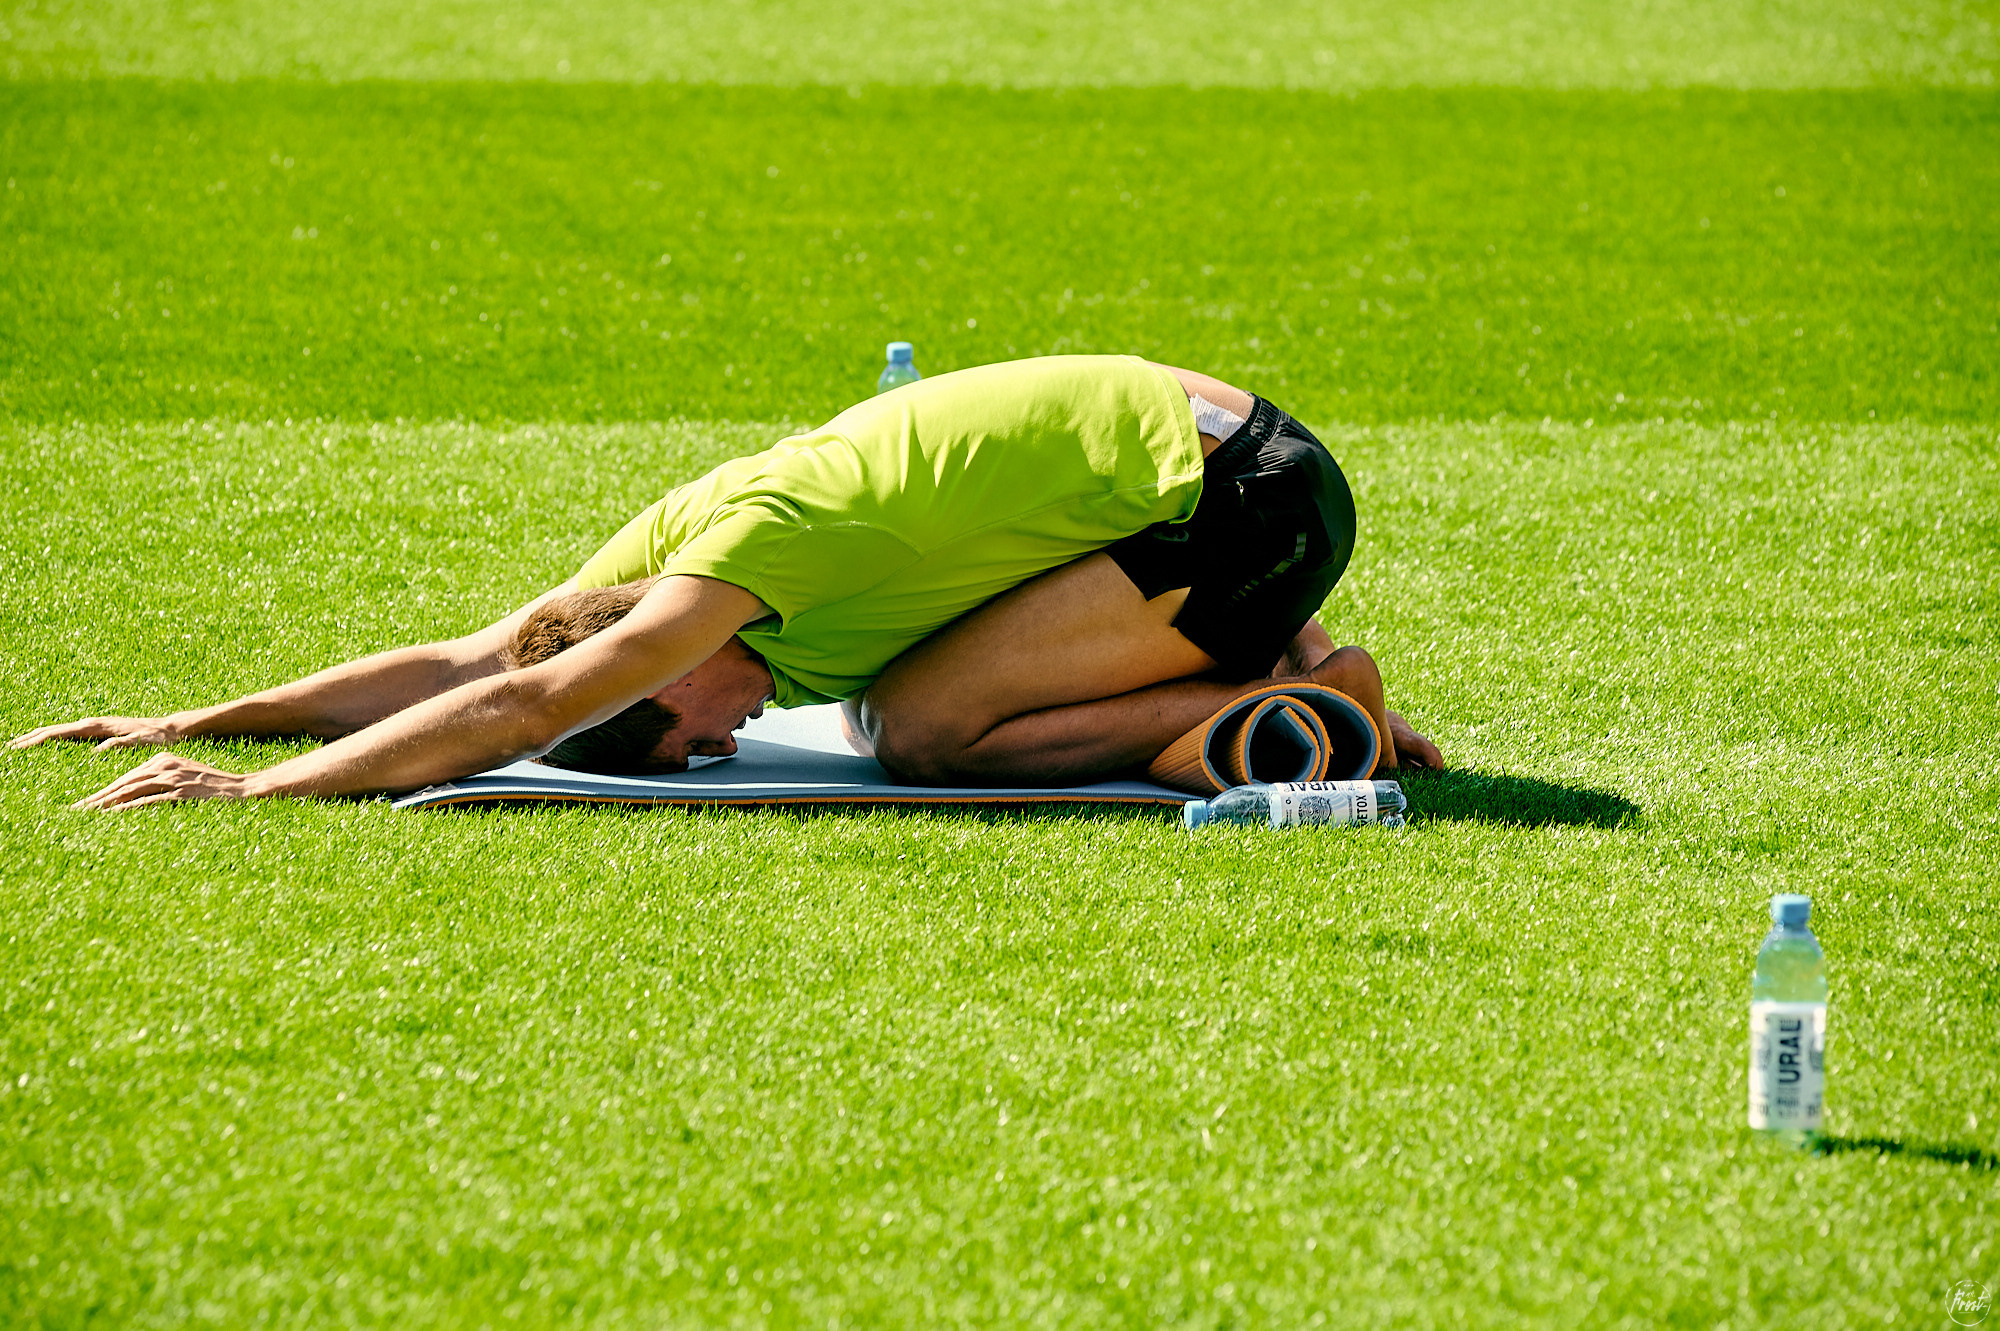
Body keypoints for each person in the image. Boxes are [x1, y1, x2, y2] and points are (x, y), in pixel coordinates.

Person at [14, 355, 1440, 809]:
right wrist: (200, 721)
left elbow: (530, 705)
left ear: (658, 661)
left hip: (1247, 495)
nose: (724, 743)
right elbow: (479, 664)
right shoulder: (635, 573)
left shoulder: (727, 574)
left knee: (925, 728)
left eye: (687, 731)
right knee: (904, 693)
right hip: (1233, 473)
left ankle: (1277, 698)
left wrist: (261, 794)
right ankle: (1295, 690)